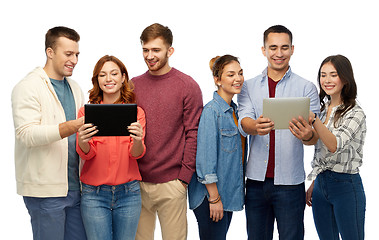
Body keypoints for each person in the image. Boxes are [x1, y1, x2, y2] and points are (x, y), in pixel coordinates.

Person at [237, 25, 320, 240]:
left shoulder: (307, 87)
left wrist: (307, 135)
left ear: (292, 49)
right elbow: (244, 120)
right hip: (255, 182)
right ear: (264, 50)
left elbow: (314, 137)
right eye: (273, 47)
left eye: (284, 47)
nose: (279, 53)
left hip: (291, 184)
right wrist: (254, 126)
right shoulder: (248, 86)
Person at [11, 26, 87, 240]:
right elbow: (26, 134)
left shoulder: (75, 88)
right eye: (68, 54)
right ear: (50, 52)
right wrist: (70, 127)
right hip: (45, 192)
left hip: (76, 189)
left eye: (77, 54)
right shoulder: (27, 87)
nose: (74, 60)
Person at [131, 23, 203, 240]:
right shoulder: (132, 85)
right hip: (137, 183)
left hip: (173, 183)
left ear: (169, 51)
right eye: (146, 50)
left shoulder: (187, 85)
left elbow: (194, 133)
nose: (150, 56)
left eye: (156, 50)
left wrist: (183, 178)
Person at [76, 55, 146, 240]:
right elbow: (87, 154)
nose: (109, 79)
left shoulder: (136, 113)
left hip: (129, 194)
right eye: (102, 75)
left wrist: (138, 140)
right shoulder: (86, 112)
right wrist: (83, 140)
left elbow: (136, 154)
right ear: (97, 80)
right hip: (94, 195)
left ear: (123, 78)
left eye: (114, 73)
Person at [298, 55, 366, 240]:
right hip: (321, 185)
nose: (327, 80)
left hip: (346, 186)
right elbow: (320, 149)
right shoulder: (322, 109)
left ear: (344, 79)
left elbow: (334, 145)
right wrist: (315, 182)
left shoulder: (355, 113)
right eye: (323, 75)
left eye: (333, 75)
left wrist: (313, 120)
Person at [188, 55, 246, 240]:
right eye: (230, 74)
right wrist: (214, 198)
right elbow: (205, 160)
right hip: (210, 197)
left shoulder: (235, 111)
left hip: (226, 194)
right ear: (217, 80)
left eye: (240, 73)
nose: (237, 78)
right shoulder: (212, 112)